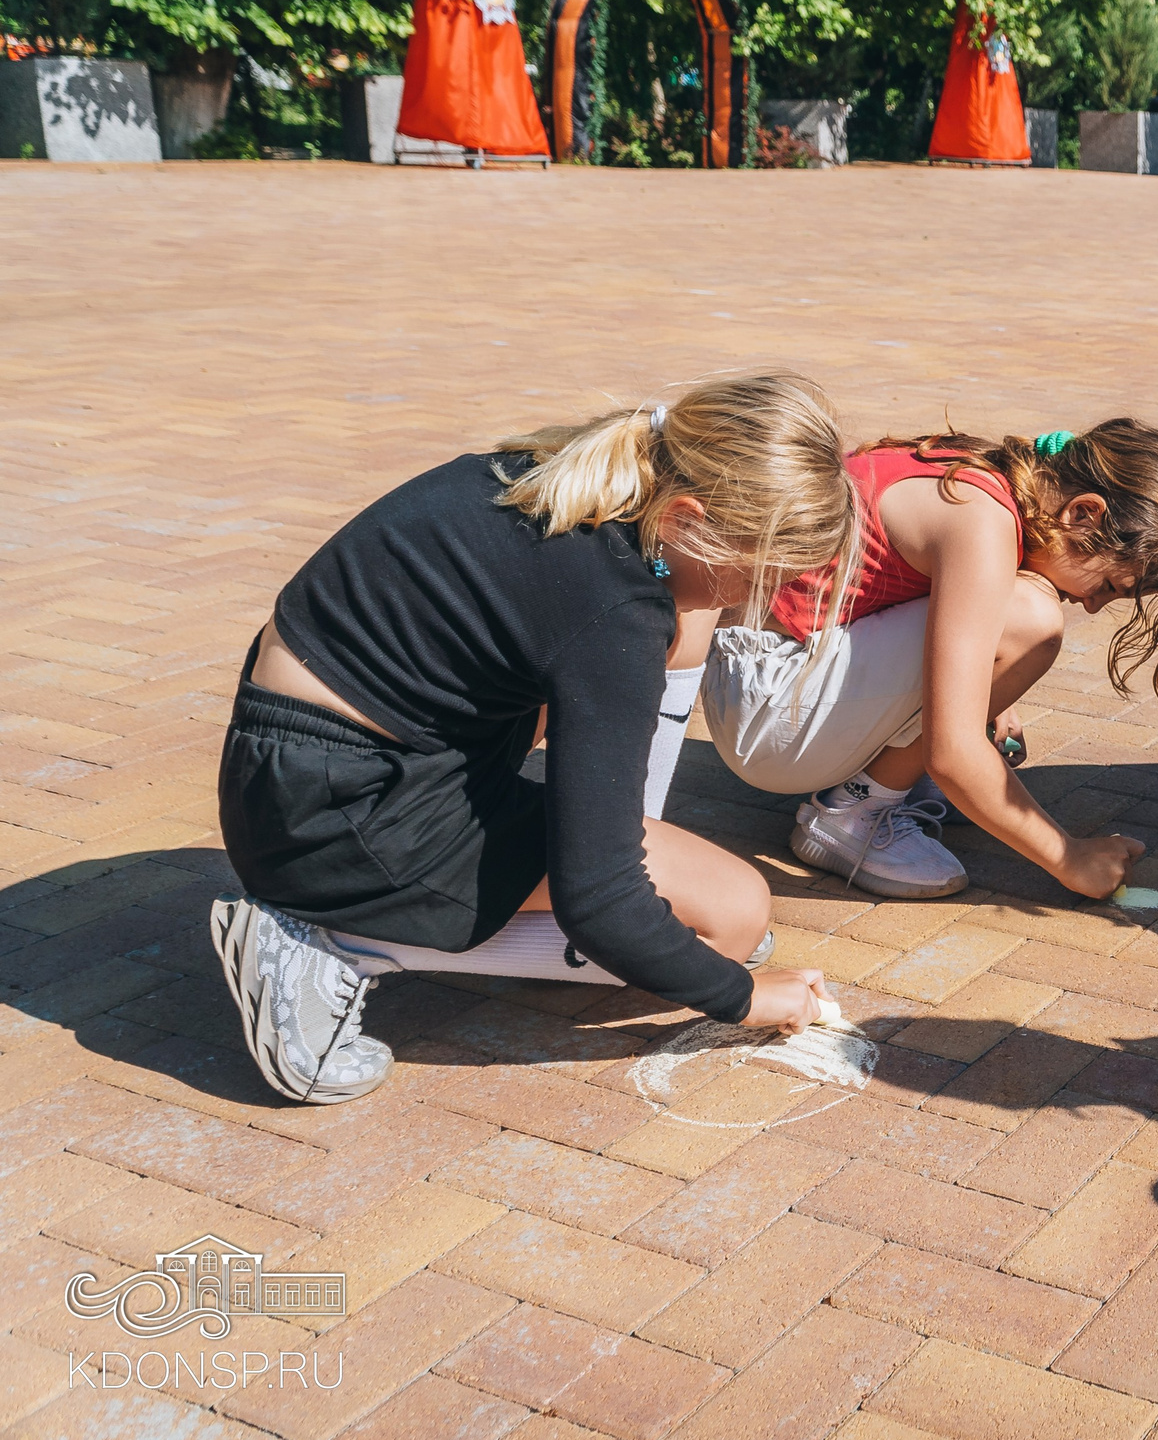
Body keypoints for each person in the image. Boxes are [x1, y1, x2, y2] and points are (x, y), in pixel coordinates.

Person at [214, 373, 859, 1105]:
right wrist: (742, 996)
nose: (760, 600)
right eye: (758, 572)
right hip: (335, 824)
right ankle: (332, 941)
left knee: (683, 908)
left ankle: (357, 907)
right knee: (732, 916)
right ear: (687, 517)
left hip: (298, 770)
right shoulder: (613, 613)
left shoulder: (576, 479)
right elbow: (603, 902)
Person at [702, 420, 1158, 903]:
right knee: (1031, 617)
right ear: (1082, 513)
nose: (1092, 605)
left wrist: (983, 694)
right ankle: (854, 814)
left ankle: (880, 785)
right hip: (771, 717)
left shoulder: (981, 474)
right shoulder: (981, 521)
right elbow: (954, 754)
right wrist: (1071, 859)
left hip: (762, 680)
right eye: (1107, 585)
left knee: (1010, 623)